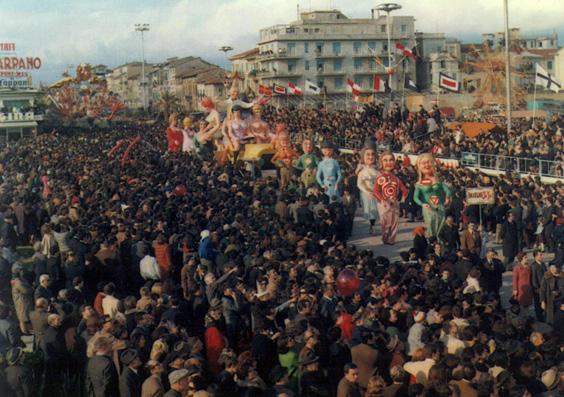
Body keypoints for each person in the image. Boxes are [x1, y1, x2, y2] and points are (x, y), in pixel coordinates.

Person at [413, 153, 451, 238]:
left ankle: (440, 244)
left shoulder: (438, 180)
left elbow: (447, 190)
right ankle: (433, 244)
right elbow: (415, 197)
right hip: (428, 208)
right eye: (424, 163)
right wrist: (422, 204)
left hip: (440, 206)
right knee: (431, 227)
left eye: (428, 162)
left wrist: (447, 198)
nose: (426, 165)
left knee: (441, 228)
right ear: (419, 166)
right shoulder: (419, 183)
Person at [373, 150, 407, 244]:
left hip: (395, 202)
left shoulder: (396, 178)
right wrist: (382, 200)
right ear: (381, 162)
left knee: (394, 223)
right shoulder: (380, 177)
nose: (388, 163)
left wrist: (403, 198)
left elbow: (404, 189)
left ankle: (391, 240)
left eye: (391, 160)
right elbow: (375, 191)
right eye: (385, 160)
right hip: (384, 204)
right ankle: (385, 238)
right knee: (385, 223)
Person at [356, 142, 379, 235]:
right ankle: (371, 225)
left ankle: (373, 225)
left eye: (372, 154)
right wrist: (366, 191)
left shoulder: (377, 171)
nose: (370, 157)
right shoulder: (362, 171)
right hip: (366, 194)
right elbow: (359, 184)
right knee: (369, 210)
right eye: (368, 154)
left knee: (374, 211)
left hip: (375, 194)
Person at [530, 250, 547, 322]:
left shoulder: (542, 264)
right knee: (538, 304)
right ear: (535, 256)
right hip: (538, 289)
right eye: (540, 255)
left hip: (544, 287)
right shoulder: (534, 266)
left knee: (543, 302)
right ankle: (540, 318)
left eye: (542, 255)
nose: (542, 256)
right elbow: (533, 279)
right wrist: (537, 289)